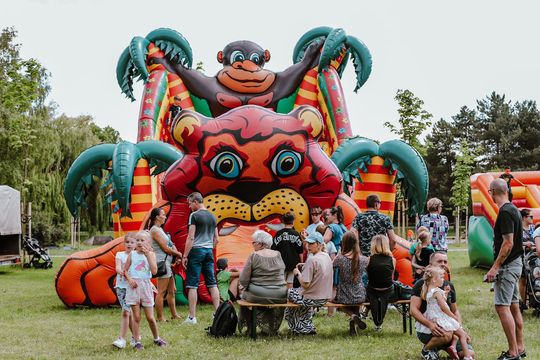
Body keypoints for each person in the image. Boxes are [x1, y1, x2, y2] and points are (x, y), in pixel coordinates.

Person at [485, 178, 525, 360]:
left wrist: (495, 268)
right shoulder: (514, 209)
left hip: (508, 266)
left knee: (502, 307)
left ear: (493, 191)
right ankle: (520, 348)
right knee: (514, 307)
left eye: (489, 191)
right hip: (515, 264)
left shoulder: (506, 212)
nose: (489, 194)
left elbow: (508, 243)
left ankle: (512, 352)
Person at [411, 251, 474, 360]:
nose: (443, 264)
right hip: (431, 328)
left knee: (469, 354)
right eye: (439, 261)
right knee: (447, 334)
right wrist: (430, 324)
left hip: (448, 325)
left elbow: (455, 310)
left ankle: (451, 348)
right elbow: (413, 310)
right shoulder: (421, 284)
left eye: (445, 261)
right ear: (430, 264)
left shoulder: (448, 285)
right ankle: (428, 348)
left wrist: (459, 327)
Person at [238, 230, 287, 335]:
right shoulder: (278, 254)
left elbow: (243, 279)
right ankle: (270, 328)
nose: (252, 245)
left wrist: (245, 287)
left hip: (258, 294)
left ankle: (250, 328)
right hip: (280, 293)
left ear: (260, 244)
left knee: (244, 296)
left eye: (254, 242)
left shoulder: (254, 256)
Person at [182, 192, 221, 325]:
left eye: (190, 203)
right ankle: (217, 313)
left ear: (195, 202)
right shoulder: (212, 216)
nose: (189, 207)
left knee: (192, 284)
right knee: (212, 283)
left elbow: (191, 237)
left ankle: (192, 317)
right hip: (208, 251)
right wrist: (209, 247)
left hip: (196, 251)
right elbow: (217, 239)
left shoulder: (194, 215)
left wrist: (185, 255)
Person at [124, 231, 167, 349]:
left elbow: (154, 271)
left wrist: (148, 255)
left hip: (146, 287)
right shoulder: (132, 255)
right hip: (134, 288)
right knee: (136, 317)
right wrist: (130, 280)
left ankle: (157, 338)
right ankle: (137, 341)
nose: (139, 243)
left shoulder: (151, 255)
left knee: (150, 318)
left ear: (149, 243)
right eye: (137, 240)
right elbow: (125, 270)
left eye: (142, 240)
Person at [286, 232, 333, 335]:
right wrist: (305, 264)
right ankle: (306, 326)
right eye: (307, 243)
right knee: (298, 302)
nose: (308, 246)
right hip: (324, 297)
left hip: (311, 298)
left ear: (319, 244)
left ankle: (298, 327)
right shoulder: (326, 257)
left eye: (311, 243)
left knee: (289, 294)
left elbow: (305, 284)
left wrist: (297, 273)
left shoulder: (312, 260)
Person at [146, 208, 184, 322]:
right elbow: (165, 248)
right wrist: (178, 254)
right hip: (162, 262)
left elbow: (170, 245)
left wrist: (176, 256)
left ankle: (174, 314)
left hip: (167, 262)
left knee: (172, 290)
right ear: (157, 217)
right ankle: (160, 317)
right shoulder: (155, 230)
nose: (165, 217)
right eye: (163, 215)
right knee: (161, 291)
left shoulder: (159, 229)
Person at [333, 231, 369, 335]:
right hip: (360, 294)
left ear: (344, 243)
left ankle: (353, 316)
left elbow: (330, 268)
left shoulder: (340, 259)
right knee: (355, 304)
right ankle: (353, 325)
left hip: (344, 294)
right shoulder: (364, 259)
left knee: (341, 305)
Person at [366, 234, 396, 332]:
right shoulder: (393, 260)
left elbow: (368, 275)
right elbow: (391, 277)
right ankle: (377, 323)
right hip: (388, 290)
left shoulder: (369, 259)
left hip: (373, 290)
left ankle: (365, 313)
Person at [112, 233, 136, 349]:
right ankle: (136, 336)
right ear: (124, 243)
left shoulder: (137, 256)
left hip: (132, 288)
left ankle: (121, 339)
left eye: (132, 242)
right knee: (128, 313)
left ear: (135, 244)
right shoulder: (119, 255)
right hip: (121, 287)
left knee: (126, 312)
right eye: (127, 242)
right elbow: (117, 267)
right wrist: (120, 270)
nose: (129, 244)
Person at [272, 212, 303, 288]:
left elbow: (273, 249)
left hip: (281, 262)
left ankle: (281, 297)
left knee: (281, 281)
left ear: (283, 222)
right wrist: (301, 262)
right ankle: (289, 297)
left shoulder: (278, 233)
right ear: (293, 221)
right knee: (290, 281)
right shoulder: (296, 234)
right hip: (293, 263)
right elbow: (300, 250)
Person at [519, 208, 535, 311]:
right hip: (523, 257)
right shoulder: (518, 229)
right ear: (524, 217)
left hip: (534, 257)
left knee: (534, 279)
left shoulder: (534, 228)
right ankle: (524, 302)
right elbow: (515, 242)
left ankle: (533, 300)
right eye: (531, 217)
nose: (533, 219)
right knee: (523, 280)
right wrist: (526, 244)